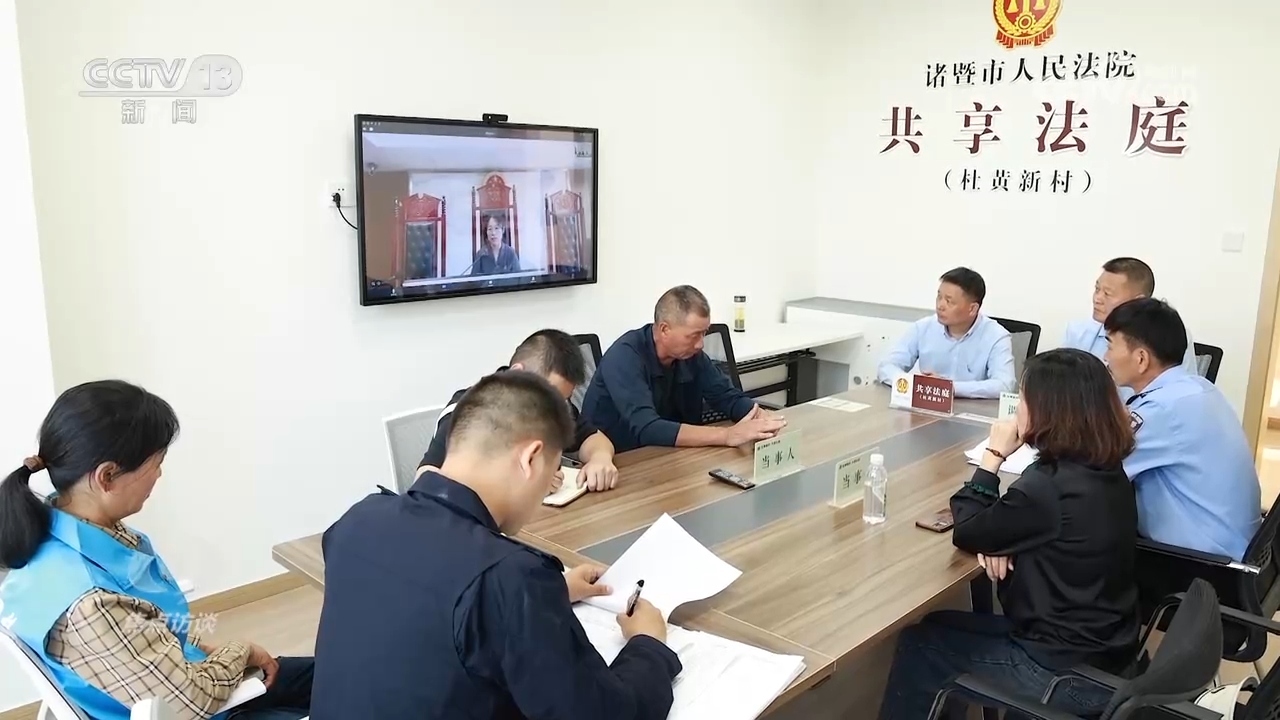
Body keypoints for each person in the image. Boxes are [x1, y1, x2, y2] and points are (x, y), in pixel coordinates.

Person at [312, 371, 681, 719]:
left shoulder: (355, 523)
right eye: (553, 471)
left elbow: (421, 611)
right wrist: (648, 644)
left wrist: (549, 593)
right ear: (530, 458)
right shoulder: (510, 576)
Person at [0, 380, 312, 720]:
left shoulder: (59, 532)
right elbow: (191, 702)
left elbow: (145, 634)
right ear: (107, 476)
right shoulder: (90, 604)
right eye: (156, 463)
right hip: (194, 708)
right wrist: (241, 651)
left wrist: (200, 649)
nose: (159, 474)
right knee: (347, 693)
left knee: (337, 673)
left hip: (176, 676)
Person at [879, 349, 1138, 719]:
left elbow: (967, 529)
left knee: (922, 646)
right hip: (1107, 654)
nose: (1016, 410)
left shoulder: (1047, 487)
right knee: (936, 624)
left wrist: (993, 456)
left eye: (1023, 399)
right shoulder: (1105, 468)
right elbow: (1008, 525)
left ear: (1049, 410)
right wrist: (1004, 539)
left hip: (1065, 674)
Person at [1104, 298, 1261, 560]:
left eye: (1110, 346)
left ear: (1141, 358)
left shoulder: (1162, 411)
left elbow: (1096, 465)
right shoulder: (1198, 388)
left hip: (1201, 566)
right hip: (1236, 552)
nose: (1105, 357)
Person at [581, 285, 786, 452]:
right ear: (664, 329)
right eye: (694, 335)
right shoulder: (624, 357)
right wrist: (726, 435)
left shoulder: (691, 355)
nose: (701, 344)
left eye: (704, 333)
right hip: (620, 462)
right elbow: (647, 427)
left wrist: (758, 417)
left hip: (672, 455)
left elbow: (726, 396)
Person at [417, 329, 619, 491]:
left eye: (563, 399)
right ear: (517, 374)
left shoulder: (557, 405)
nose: (554, 408)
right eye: (548, 396)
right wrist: (522, 487)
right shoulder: (468, 410)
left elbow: (593, 438)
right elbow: (426, 478)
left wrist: (600, 459)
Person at [876, 267, 1016, 399]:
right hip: (925, 408)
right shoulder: (923, 328)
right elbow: (886, 366)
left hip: (972, 411)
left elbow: (1005, 385)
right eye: (939, 297)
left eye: (949, 301)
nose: (940, 306)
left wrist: (950, 388)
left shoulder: (996, 336)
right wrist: (915, 384)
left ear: (972, 309)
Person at [1061, 257, 1197, 374]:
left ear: (1138, 301)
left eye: (1107, 293)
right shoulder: (1078, 332)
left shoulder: (1171, 336)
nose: (1097, 299)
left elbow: (1183, 387)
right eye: (1097, 289)